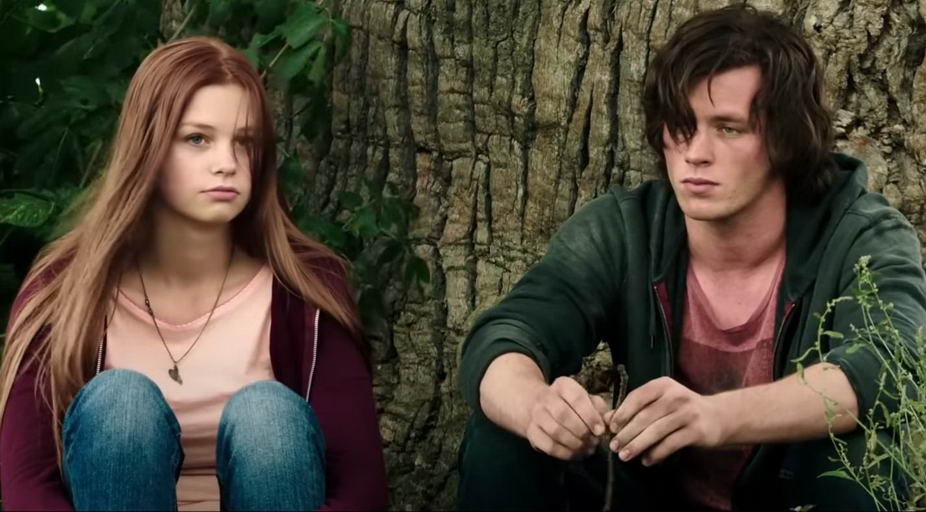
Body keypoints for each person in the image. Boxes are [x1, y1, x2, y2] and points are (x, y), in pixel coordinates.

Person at [457, 5, 926, 511]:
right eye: (682, 125)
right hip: (648, 497)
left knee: (858, 455)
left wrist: (714, 417)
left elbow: (889, 368)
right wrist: (538, 410)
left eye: (728, 128)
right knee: (505, 434)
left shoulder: (859, 234)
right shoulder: (627, 230)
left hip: (793, 497)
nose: (696, 152)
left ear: (786, 139)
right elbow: (506, 335)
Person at [0, 37, 388, 511]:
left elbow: (362, 489)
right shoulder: (63, 288)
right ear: (148, 148)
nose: (227, 164)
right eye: (197, 139)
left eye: (244, 142)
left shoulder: (305, 289)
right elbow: (27, 486)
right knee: (121, 402)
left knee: (266, 413)